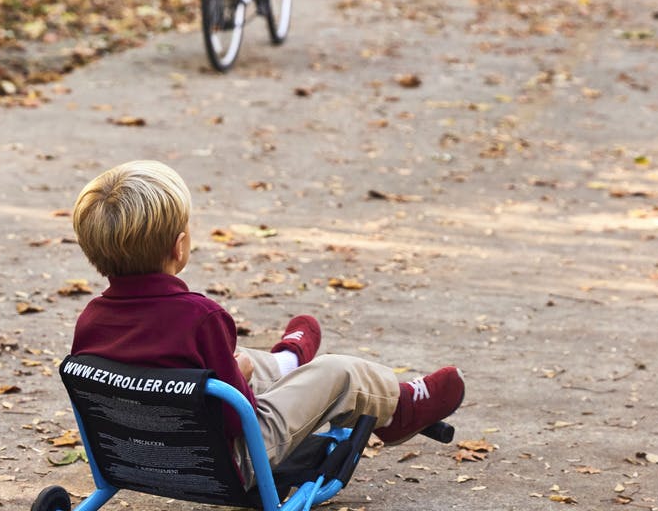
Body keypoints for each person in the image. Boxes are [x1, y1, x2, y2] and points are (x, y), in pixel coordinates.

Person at [70, 160, 464, 485]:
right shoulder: (201, 317)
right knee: (336, 372)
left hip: (133, 455)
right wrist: (237, 375)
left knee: (227, 363)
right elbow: (234, 415)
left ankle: (287, 362)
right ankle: (398, 409)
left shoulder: (93, 318)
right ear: (179, 246)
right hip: (230, 462)